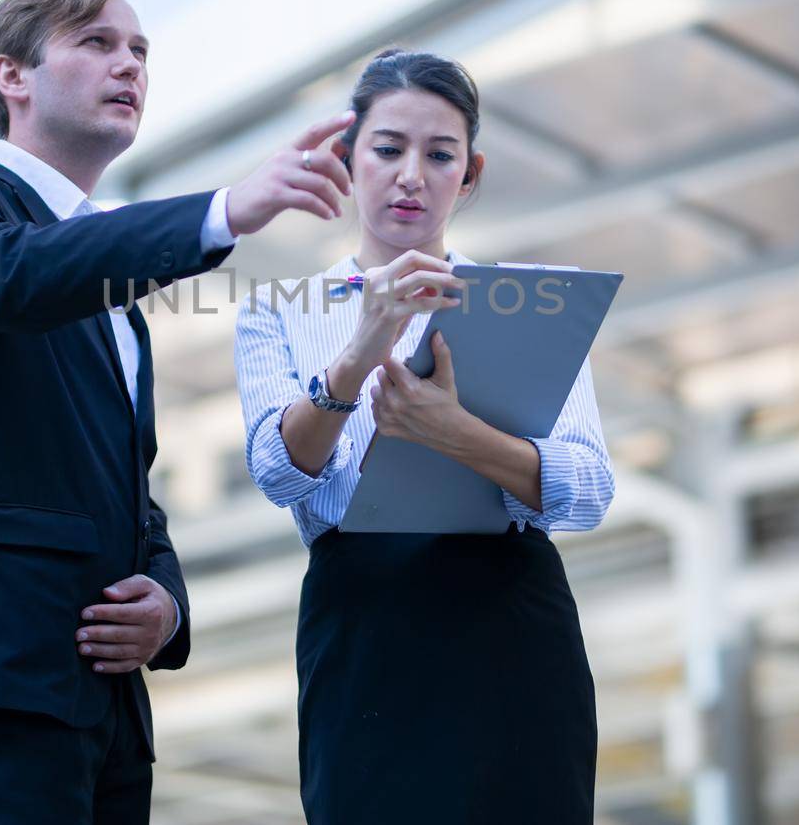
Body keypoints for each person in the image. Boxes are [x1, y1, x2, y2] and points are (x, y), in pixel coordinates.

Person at [0, 0, 357, 824]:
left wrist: (167, 602)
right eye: (96, 43)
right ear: (10, 74)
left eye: (139, 49)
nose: (130, 65)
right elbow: (5, 278)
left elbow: (129, 491)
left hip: (106, 713)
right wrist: (222, 211)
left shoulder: (111, 283)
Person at [233, 48, 616, 824]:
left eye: (440, 154)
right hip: (366, 619)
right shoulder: (282, 307)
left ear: (469, 175)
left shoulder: (526, 300)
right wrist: (357, 353)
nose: (412, 173)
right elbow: (280, 471)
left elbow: (587, 488)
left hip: (509, 614)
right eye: (388, 148)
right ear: (347, 159)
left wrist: (456, 433)